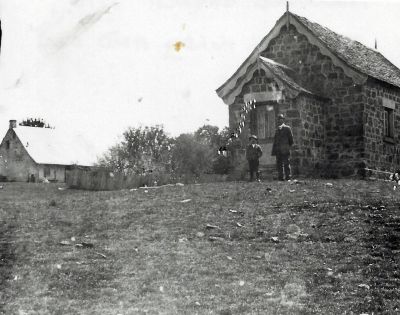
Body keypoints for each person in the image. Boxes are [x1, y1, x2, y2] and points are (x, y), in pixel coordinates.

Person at [272, 114, 294, 181]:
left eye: (281, 119)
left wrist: (287, 146)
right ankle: (281, 177)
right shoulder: (277, 130)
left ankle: (288, 177)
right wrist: (275, 149)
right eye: (278, 119)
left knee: (286, 163)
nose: (279, 120)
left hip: (285, 149)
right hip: (278, 150)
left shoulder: (287, 128)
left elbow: (291, 140)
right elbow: (275, 141)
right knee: (279, 164)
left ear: (283, 120)